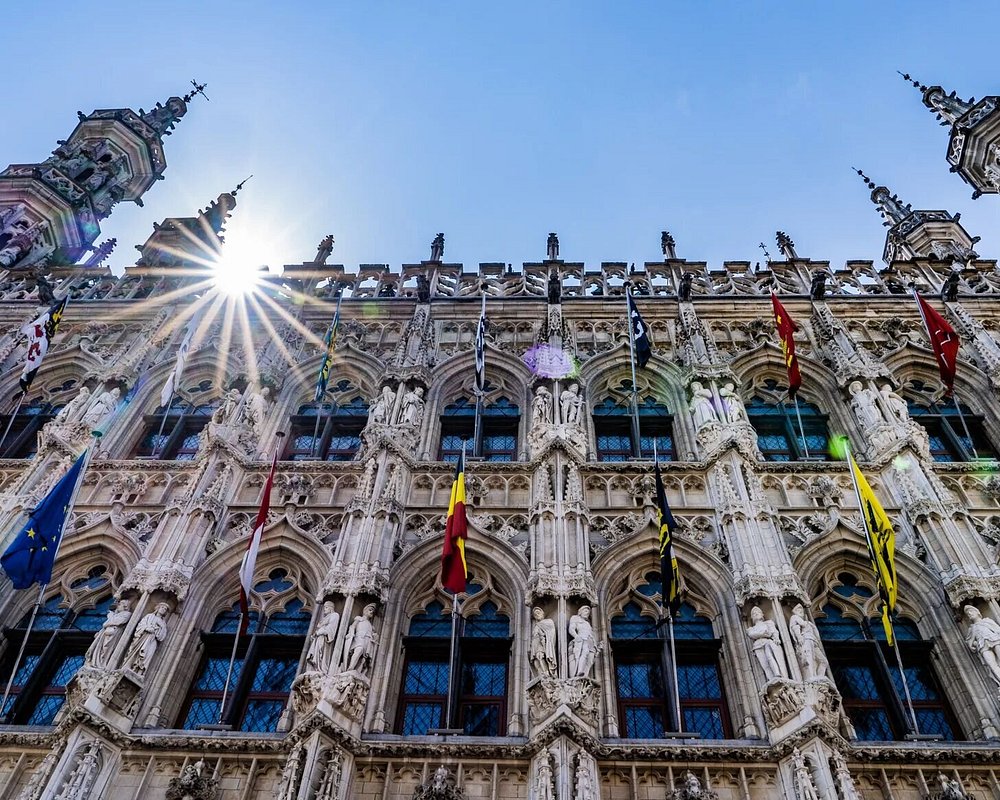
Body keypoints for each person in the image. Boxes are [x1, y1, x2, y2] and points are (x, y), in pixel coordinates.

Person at [123, 602, 170, 676]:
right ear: (158, 608)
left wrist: (161, 627)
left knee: (147, 656)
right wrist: (147, 628)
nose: (163, 609)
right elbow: (141, 625)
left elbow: (161, 637)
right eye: (162, 607)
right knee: (138, 652)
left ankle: (139, 673)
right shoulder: (149, 616)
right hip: (143, 637)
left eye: (165, 609)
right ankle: (131, 667)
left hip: (152, 641)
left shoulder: (163, 623)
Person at [84, 598, 132, 668]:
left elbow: (115, 622)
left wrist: (110, 618)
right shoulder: (116, 614)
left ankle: (103, 664)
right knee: (101, 649)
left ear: (125, 606)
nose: (118, 606)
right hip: (106, 633)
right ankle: (97, 663)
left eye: (120, 604)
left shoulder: (127, 614)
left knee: (106, 649)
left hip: (114, 634)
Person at [745, 605, 787, 681]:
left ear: (762, 614)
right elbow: (751, 634)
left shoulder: (768, 623)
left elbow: (774, 631)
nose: (756, 614)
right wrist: (763, 633)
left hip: (767, 642)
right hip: (757, 646)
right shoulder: (751, 629)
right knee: (765, 665)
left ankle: (778, 674)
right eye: (754, 614)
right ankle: (771, 679)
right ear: (752, 618)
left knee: (770, 657)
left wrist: (776, 638)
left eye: (758, 612)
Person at [788, 603, 828, 681]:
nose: (801, 611)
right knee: (809, 658)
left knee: (824, 662)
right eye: (798, 610)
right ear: (794, 611)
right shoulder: (794, 617)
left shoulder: (807, 622)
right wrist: (799, 637)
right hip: (806, 639)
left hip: (814, 641)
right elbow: (795, 627)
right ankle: (811, 677)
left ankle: (819, 678)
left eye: (801, 610)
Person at [964, 605, 1000, 687]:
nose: (969, 613)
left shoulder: (987, 621)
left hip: (995, 640)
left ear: (977, 612)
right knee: (992, 665)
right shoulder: (972, 628)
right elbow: (970, 641)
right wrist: (974, 645)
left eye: (971, 611)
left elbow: (998, 630)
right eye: (968, 614)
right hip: (982, 646)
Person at [306, 601, 340, 674]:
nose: (324, 609)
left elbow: (331, 629)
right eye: (324, 607)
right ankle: (316, 669)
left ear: (331, 608)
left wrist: (318, 632)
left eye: (326, 607)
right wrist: (315, 635)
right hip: (319, 638)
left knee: (321, 655)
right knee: (316, 654)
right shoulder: (325, 618)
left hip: (324, 638)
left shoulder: (335, 615)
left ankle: (321, 670)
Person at [343, 603, 378, 673]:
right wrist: (350, 633)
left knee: (363, 658)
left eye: (373, 611)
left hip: (367, 641)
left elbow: (372, 635)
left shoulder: (371, 626)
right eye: (370, 610)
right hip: (359, 638)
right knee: (359, 649)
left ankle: (358, 670)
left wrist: (374, 637)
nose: (371, 612)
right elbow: (353, 626)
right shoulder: (360, 619)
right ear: (365, 611)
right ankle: (350, 667)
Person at [568, 606, 599, 678]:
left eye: (588, 613)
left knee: (590, 659)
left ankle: (585, 674)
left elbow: (591, 634)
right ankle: (579, 671)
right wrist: (576, 636)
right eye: (585, 611)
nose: (587, 613)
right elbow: (571, 629)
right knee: (584, 652)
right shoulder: (575, 618)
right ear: (580, 612)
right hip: (582, 639)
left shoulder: (587, 623)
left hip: (591, 641)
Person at [529, 607, 558, 678]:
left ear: (543, 613)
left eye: (538, 613)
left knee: (540, 657)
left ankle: (546, 674)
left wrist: (544, 641)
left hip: (541, 644)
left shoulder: (548, 622)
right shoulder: (536, 625)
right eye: (535, 615)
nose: (537, 615)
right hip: (534, 645)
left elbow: (550, 633)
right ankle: (541, 675)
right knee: (535, 661)